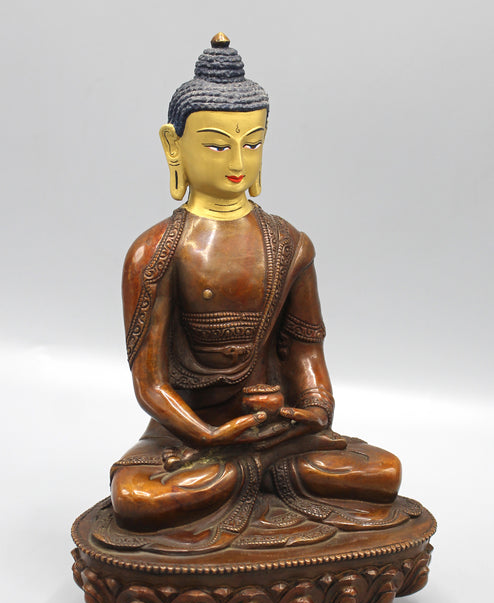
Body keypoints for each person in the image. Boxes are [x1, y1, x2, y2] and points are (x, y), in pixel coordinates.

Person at [109, 34, 403, 544]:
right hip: (187, 435)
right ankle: (253, 473)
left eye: (253, 143)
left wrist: (312, 410)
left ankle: (252, 470)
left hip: (276, 431)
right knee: (136, 498)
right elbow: (151, 384)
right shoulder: (154, 252)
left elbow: (306, 352)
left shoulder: (290, 244)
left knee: (384, 471)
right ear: (174, 146)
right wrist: (209, 434)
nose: (237, 161)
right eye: (217, 145)